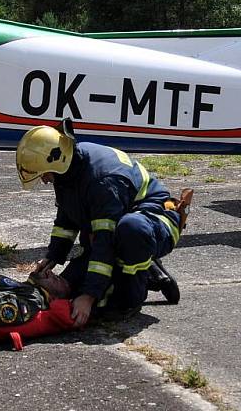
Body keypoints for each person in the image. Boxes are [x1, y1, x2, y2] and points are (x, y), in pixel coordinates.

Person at [15, 121, 186, 328]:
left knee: (128, 236)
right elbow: (67, 218)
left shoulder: (103, 180)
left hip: (155, 222)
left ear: (56, 161)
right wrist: (54, 256)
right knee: (74, 284)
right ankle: (148, 269)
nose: (44, 181)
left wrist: (89, 296)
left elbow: (105, 240)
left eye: (44, 174)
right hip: (118, 228)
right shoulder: (68, 170)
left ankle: (132, 298)